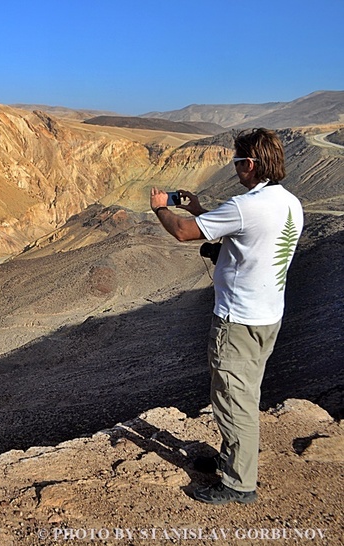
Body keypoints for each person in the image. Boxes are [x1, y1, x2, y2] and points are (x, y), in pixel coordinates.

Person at [149, 128, 304, 505]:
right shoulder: (288, 203)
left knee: (234, 399)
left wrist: (161, 208)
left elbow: (185, 233)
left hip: (238, 321)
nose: (235, 169)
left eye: (237, 163)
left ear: (250, 164)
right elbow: (247, 237)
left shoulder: (246, 205)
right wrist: (197, 207)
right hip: (267, 317)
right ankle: (232, 457)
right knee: (244, 392)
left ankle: (238, 483)